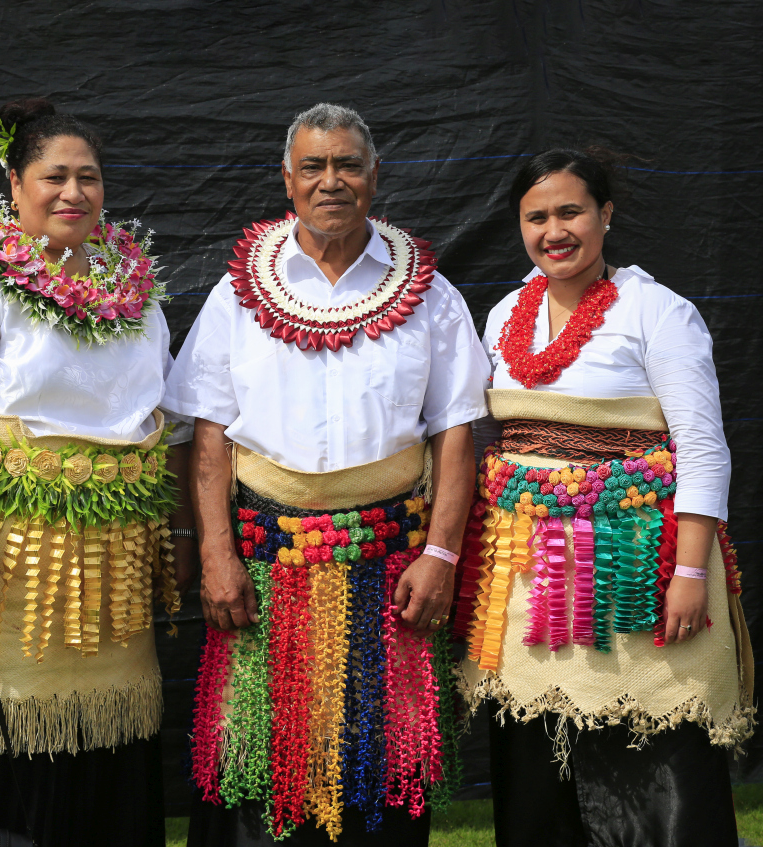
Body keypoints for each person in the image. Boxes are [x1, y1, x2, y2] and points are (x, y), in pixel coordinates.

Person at [164, 103, 490, 846]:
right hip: (264, 564)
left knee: (379, 764)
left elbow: (456, 437)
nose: (331, 180)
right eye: (314, 166)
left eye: (347, 165)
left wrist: (440, 554)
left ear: (375, 177)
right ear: (288, 178)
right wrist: (214, 551)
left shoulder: (429, 293)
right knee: (258, 767)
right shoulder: (239, 291)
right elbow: (207, 434)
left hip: (391, 568)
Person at [0, 98, 195, 847]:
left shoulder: (138, 296)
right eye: (54, 176)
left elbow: (167, 417)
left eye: (89, 177)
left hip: (109, 574)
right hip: (5, 563)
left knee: (100, 753)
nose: (74, 193)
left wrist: (178, 532)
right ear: (14, 184)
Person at [454, 148, 754, 847]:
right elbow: (483, 435)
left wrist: (689, 572)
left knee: (656, 753)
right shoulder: (505, 314)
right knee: (537, 756)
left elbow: (704, 447)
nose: (554, 230)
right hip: (529, 576)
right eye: (537, 217)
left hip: (640, 573)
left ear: (605, 215)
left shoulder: (657, 310)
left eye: (570, 211)